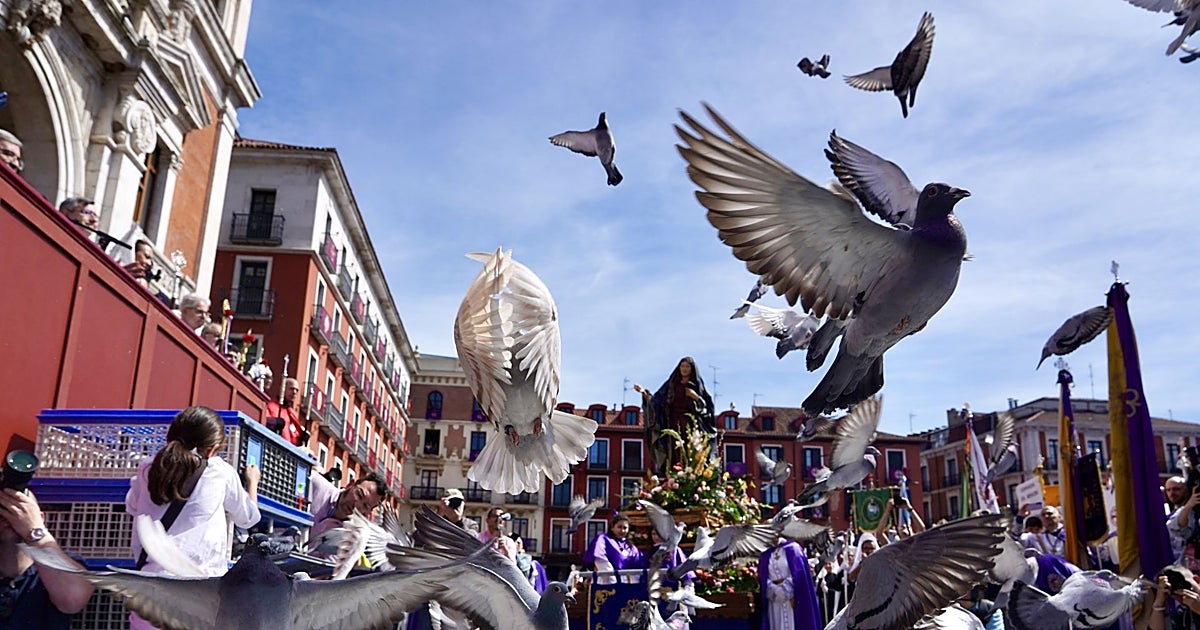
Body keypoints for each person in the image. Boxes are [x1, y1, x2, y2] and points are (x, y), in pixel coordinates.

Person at [125, 406, 261, 630]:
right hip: (198, 596)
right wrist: (252, 482)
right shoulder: (221, 472)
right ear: (212, 449)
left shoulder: (146, 469)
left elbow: (132, 507)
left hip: (148, 593)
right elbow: (248, 518)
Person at [0, 487, 94, 628]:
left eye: (20, 509)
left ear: (40, 519)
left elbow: (73, 600)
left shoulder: (62, 563)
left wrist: (33, 532)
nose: (10, 515)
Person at [634, 357, 716, 472]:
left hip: (690, 424)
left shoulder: (697, 386)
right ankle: (675, 472)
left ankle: (691, 473)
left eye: (687, 366)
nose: (684, 369)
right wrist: (644, 393)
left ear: (692, 369)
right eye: (682, 366)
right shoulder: (671, 384)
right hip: (672, 422)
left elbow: (707, 408)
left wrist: (694, 396)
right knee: (673, 449)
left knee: (691, 449)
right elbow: (657, 401)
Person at [758, 538, 823, 630]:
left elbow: (799, 573)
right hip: (774, 599)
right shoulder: (766, 553)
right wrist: (774, 589)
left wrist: (785, 589)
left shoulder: (793, 549)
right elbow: (763, 575)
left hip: (792, 597)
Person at [308, 470, 390, 540]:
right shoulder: (315, 484)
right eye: (359, 494)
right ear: (351, 484)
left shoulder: (350, 537)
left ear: (367, 512)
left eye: (365, 506)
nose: (356, 505)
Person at [583, 513, 645, 584]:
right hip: (607, 582)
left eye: (625, 528)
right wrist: (613, 580)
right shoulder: (603, 539)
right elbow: (600, 560)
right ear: (612, 527)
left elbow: (638, 568)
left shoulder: (632, 548)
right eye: (619, 527)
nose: (622, 530)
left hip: (628, 584)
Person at [264, 378, 306, 448]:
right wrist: (274, 423)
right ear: (283, 388)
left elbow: (293, 439)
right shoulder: (270, 406)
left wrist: (301, 438)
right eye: (291, 389)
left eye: (297, 390)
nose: (294, 392)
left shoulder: (292, 414)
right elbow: (264, 421)